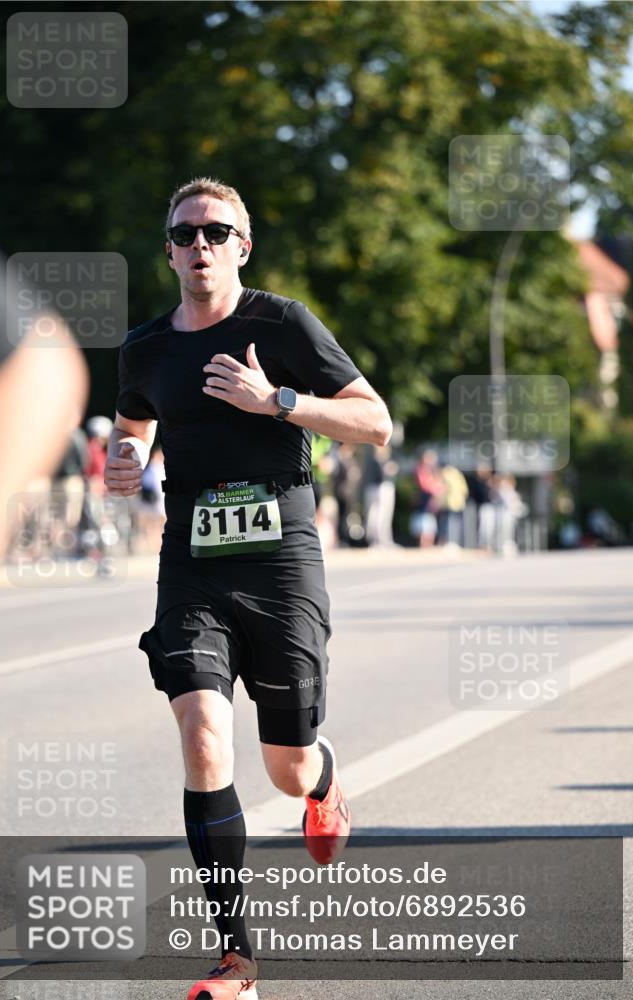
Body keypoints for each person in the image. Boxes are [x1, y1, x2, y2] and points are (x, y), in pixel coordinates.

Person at [104, 177, 392, 1000]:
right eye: (185, 233)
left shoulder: (282, 323)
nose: (200, 244)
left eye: (215, 231)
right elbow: (131, 430)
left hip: (280, 562)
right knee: (201, 739)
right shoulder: (146, 348)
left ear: (241, 245)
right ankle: (237, 958)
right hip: (192, 563)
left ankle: (326, 781)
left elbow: (375, 420)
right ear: (167, 250)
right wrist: (124, 463)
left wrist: (281, 402)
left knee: (286, 767)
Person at [0, 233, 88, 571]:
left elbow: (39, 367)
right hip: (48, 482)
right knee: (44, 517)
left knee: (60, 517)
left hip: (63, 482)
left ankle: (50, 550)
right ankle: (37, 548)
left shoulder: (76, 440)